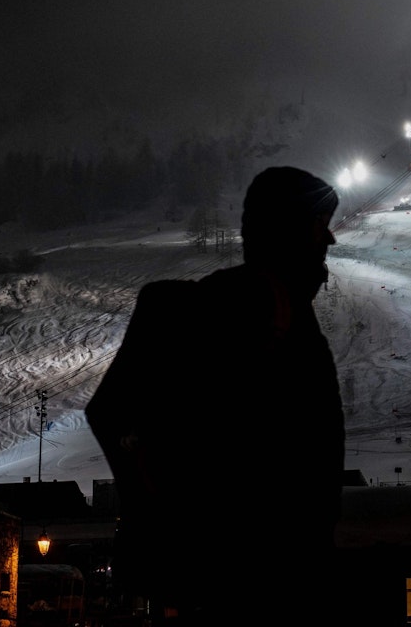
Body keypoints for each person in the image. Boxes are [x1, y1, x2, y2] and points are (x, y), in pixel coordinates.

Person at [85, 166, 344, 625]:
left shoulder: (282, 310)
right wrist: (182, 523)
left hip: (261, 580)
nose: (330, 241)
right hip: (254, 584)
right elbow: (112, 410)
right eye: (319, 226)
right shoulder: (251, 304)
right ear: (287, 230)